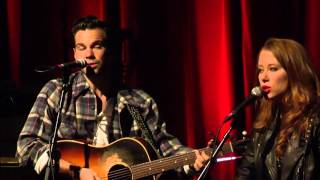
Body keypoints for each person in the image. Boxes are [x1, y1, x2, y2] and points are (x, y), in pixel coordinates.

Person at [16, 16, 209, 179]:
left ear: (111, 52)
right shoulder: (57, 92)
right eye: (81, 48)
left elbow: (164, 148)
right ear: (74, 53)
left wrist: (193, 159)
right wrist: (76, 172)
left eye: (96, 46)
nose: (88, 54)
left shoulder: (139, 102)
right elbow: (26, 145)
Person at [236, 38, 320, 180]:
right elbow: (245, 173)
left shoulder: (316, 117)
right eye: (260, 70)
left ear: (294, 72)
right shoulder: (265, 120)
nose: (263, 77)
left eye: (273, 69)